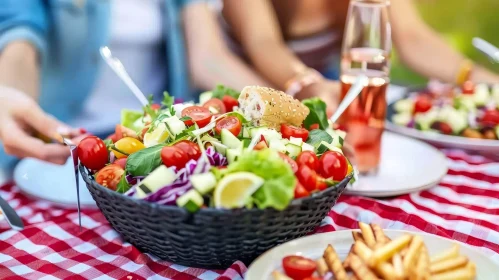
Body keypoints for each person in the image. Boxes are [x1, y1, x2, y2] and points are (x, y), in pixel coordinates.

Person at [0, 0, 270, 171]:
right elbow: (20, 42)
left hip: (152, 147)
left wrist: (272, 102)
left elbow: (209, 58)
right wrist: (12, 94)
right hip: (61, 155)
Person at [219, 0, 499, 109]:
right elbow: (264, 43)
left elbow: (413, 38)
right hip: (243, 93)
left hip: (321, 86)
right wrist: (305, 83)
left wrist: (478, 79)